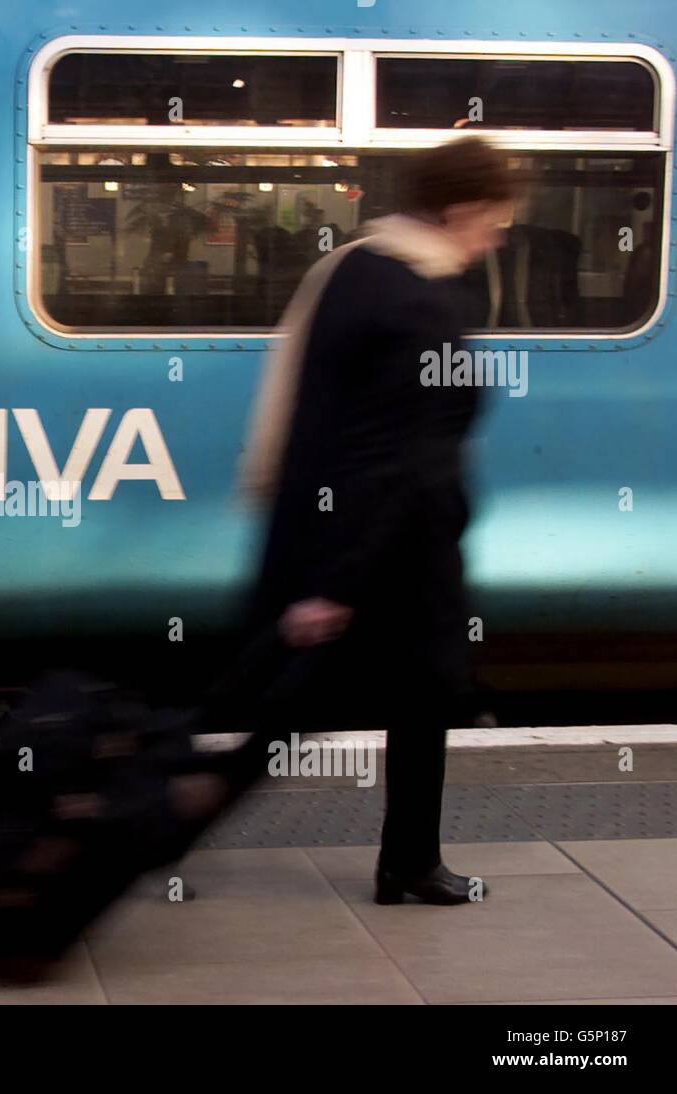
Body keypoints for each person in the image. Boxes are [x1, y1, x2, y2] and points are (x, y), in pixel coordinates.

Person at [209, 137, 519, 905]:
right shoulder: (419, 297)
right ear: (463, 209)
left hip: (374, 546)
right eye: (498, 219)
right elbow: (397, 456)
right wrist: (338, 583)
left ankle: (409, 862)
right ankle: (141, 825)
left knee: (409, 700)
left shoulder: (356, 266)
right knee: (285, 716)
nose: (502, 236)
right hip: (386, 553)